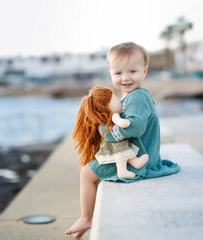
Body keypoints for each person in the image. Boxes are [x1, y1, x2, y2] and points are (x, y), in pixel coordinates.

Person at [65, 42, 180, 239]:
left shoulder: (136, 97)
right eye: (118, 73)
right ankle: (88, 216)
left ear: (144, 71)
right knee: (92, 166)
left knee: (86, 173)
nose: (125, 78)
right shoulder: (129, 97)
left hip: (137, 162)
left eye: (132, 71)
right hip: (138, 156)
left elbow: (135, 127)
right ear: (110, 74)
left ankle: (87, 217)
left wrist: (107, 133)